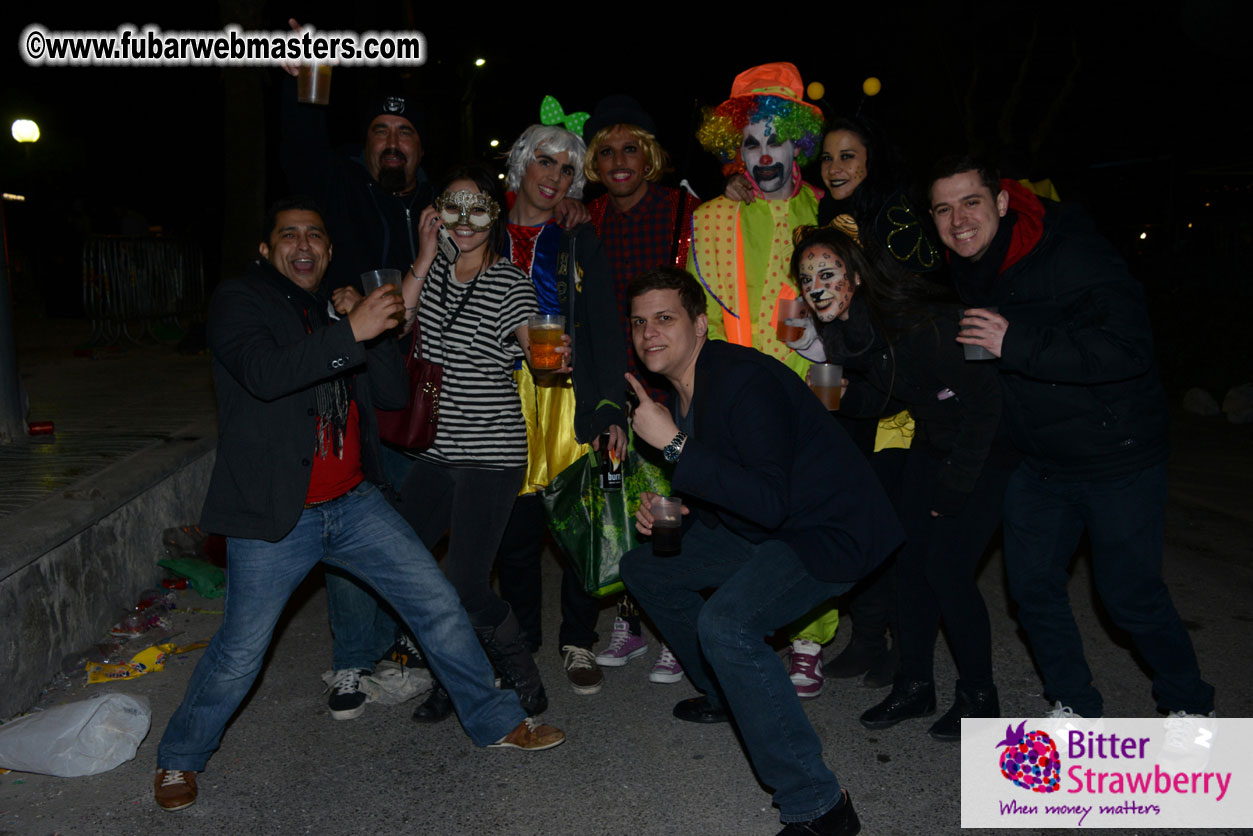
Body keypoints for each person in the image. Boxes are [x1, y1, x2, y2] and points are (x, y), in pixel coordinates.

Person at [151, 198, 564, 813]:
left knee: (438, 604)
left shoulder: (334, 305)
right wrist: (350, 332)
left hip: (353, 503)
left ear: (329, 250)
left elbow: (392, 394)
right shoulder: (241, 301)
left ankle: (497, 721)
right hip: (275, 512)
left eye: (315, 235)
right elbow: (265, 373)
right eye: (288, 234)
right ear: (266, 249)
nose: (303, 245)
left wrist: (376, 331)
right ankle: (179, 757)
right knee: (240, 650)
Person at [928, 156, 1215, 719]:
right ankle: (1074, 704)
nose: (958, 220)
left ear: (1001, 202)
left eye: (971, 202)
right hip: (1041, 460)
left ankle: (1188, 704)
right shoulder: (970, 268)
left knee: (1129, 597)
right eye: (943, 209)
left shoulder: (1070, 252)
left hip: (1117, 456)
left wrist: (1017, 343)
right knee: (1032, 589)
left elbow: (1129, 348)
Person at [619, 266, 901, 835]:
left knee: (728, 625)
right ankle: (728, 693)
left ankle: (820, 805)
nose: (650, 332)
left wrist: (673, 444)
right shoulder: (684, 389)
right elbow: (731, 479)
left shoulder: (743, 380)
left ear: (700, 324)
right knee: (643, 568)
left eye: (665, 318)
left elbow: (768, 501)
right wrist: (676, 506)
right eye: (639, 322)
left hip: (827, 531)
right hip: (767, 525)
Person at [335, 167, 553, 722]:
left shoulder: (510, 282)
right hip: (435, 451)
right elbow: (395, 321)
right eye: (453, 207)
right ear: (438, 212)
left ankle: (521, 674)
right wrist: (426, 251)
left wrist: (547, 351)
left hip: (490, 454)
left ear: (494, 214)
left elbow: (532, 337)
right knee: (405, 563)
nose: (465, 220)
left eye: (477, 207)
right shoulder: (430, 271)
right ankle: (455, 675)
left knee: (465, 581)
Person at [788, 226, 1014, 740]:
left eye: (827, 273)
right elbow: (890, 394)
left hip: (985, 449)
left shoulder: (915, 324)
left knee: (947, 571)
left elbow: (986, 403)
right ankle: (915, 685)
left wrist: (955, 486)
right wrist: (835, 395)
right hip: (934, 443)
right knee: (908, 566)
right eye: (806, 279)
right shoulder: (851, 332)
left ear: (856, 276)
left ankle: (980, 697)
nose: (815, 288)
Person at [687, 62, 839, 697]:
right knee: (740, 517)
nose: (765, 155)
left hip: (807, 390)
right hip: (736, 395)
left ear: (798, 145)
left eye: (776, 140)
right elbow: (699, 313)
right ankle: (743, 628)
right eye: (751, 143)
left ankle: (810, 640)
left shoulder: (823, 212)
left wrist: (829, 388)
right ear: (736, 153)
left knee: (810, 515)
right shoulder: (711, 218)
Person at [495, 123, 629, 696]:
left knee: (580, 527)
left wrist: (610, 406)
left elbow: (604, 324)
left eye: (567, 168)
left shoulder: (578, 237)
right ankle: (521, 640)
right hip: (501, 397)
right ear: (522, 163)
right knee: (514, 535)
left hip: (568, 397)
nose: (555, 176)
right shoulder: (482, 233)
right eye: (545, 161)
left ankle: (578, 638)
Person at [581, 94, 701, 683]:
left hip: (674, 377)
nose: (619, 161)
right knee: (624, 502)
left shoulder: (685, 209)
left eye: (630, 149)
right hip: (615, 379)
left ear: (649, 156)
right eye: (606, 152)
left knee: (676, 497)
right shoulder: (586, 218)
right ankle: (631, 617)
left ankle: (678, 625)